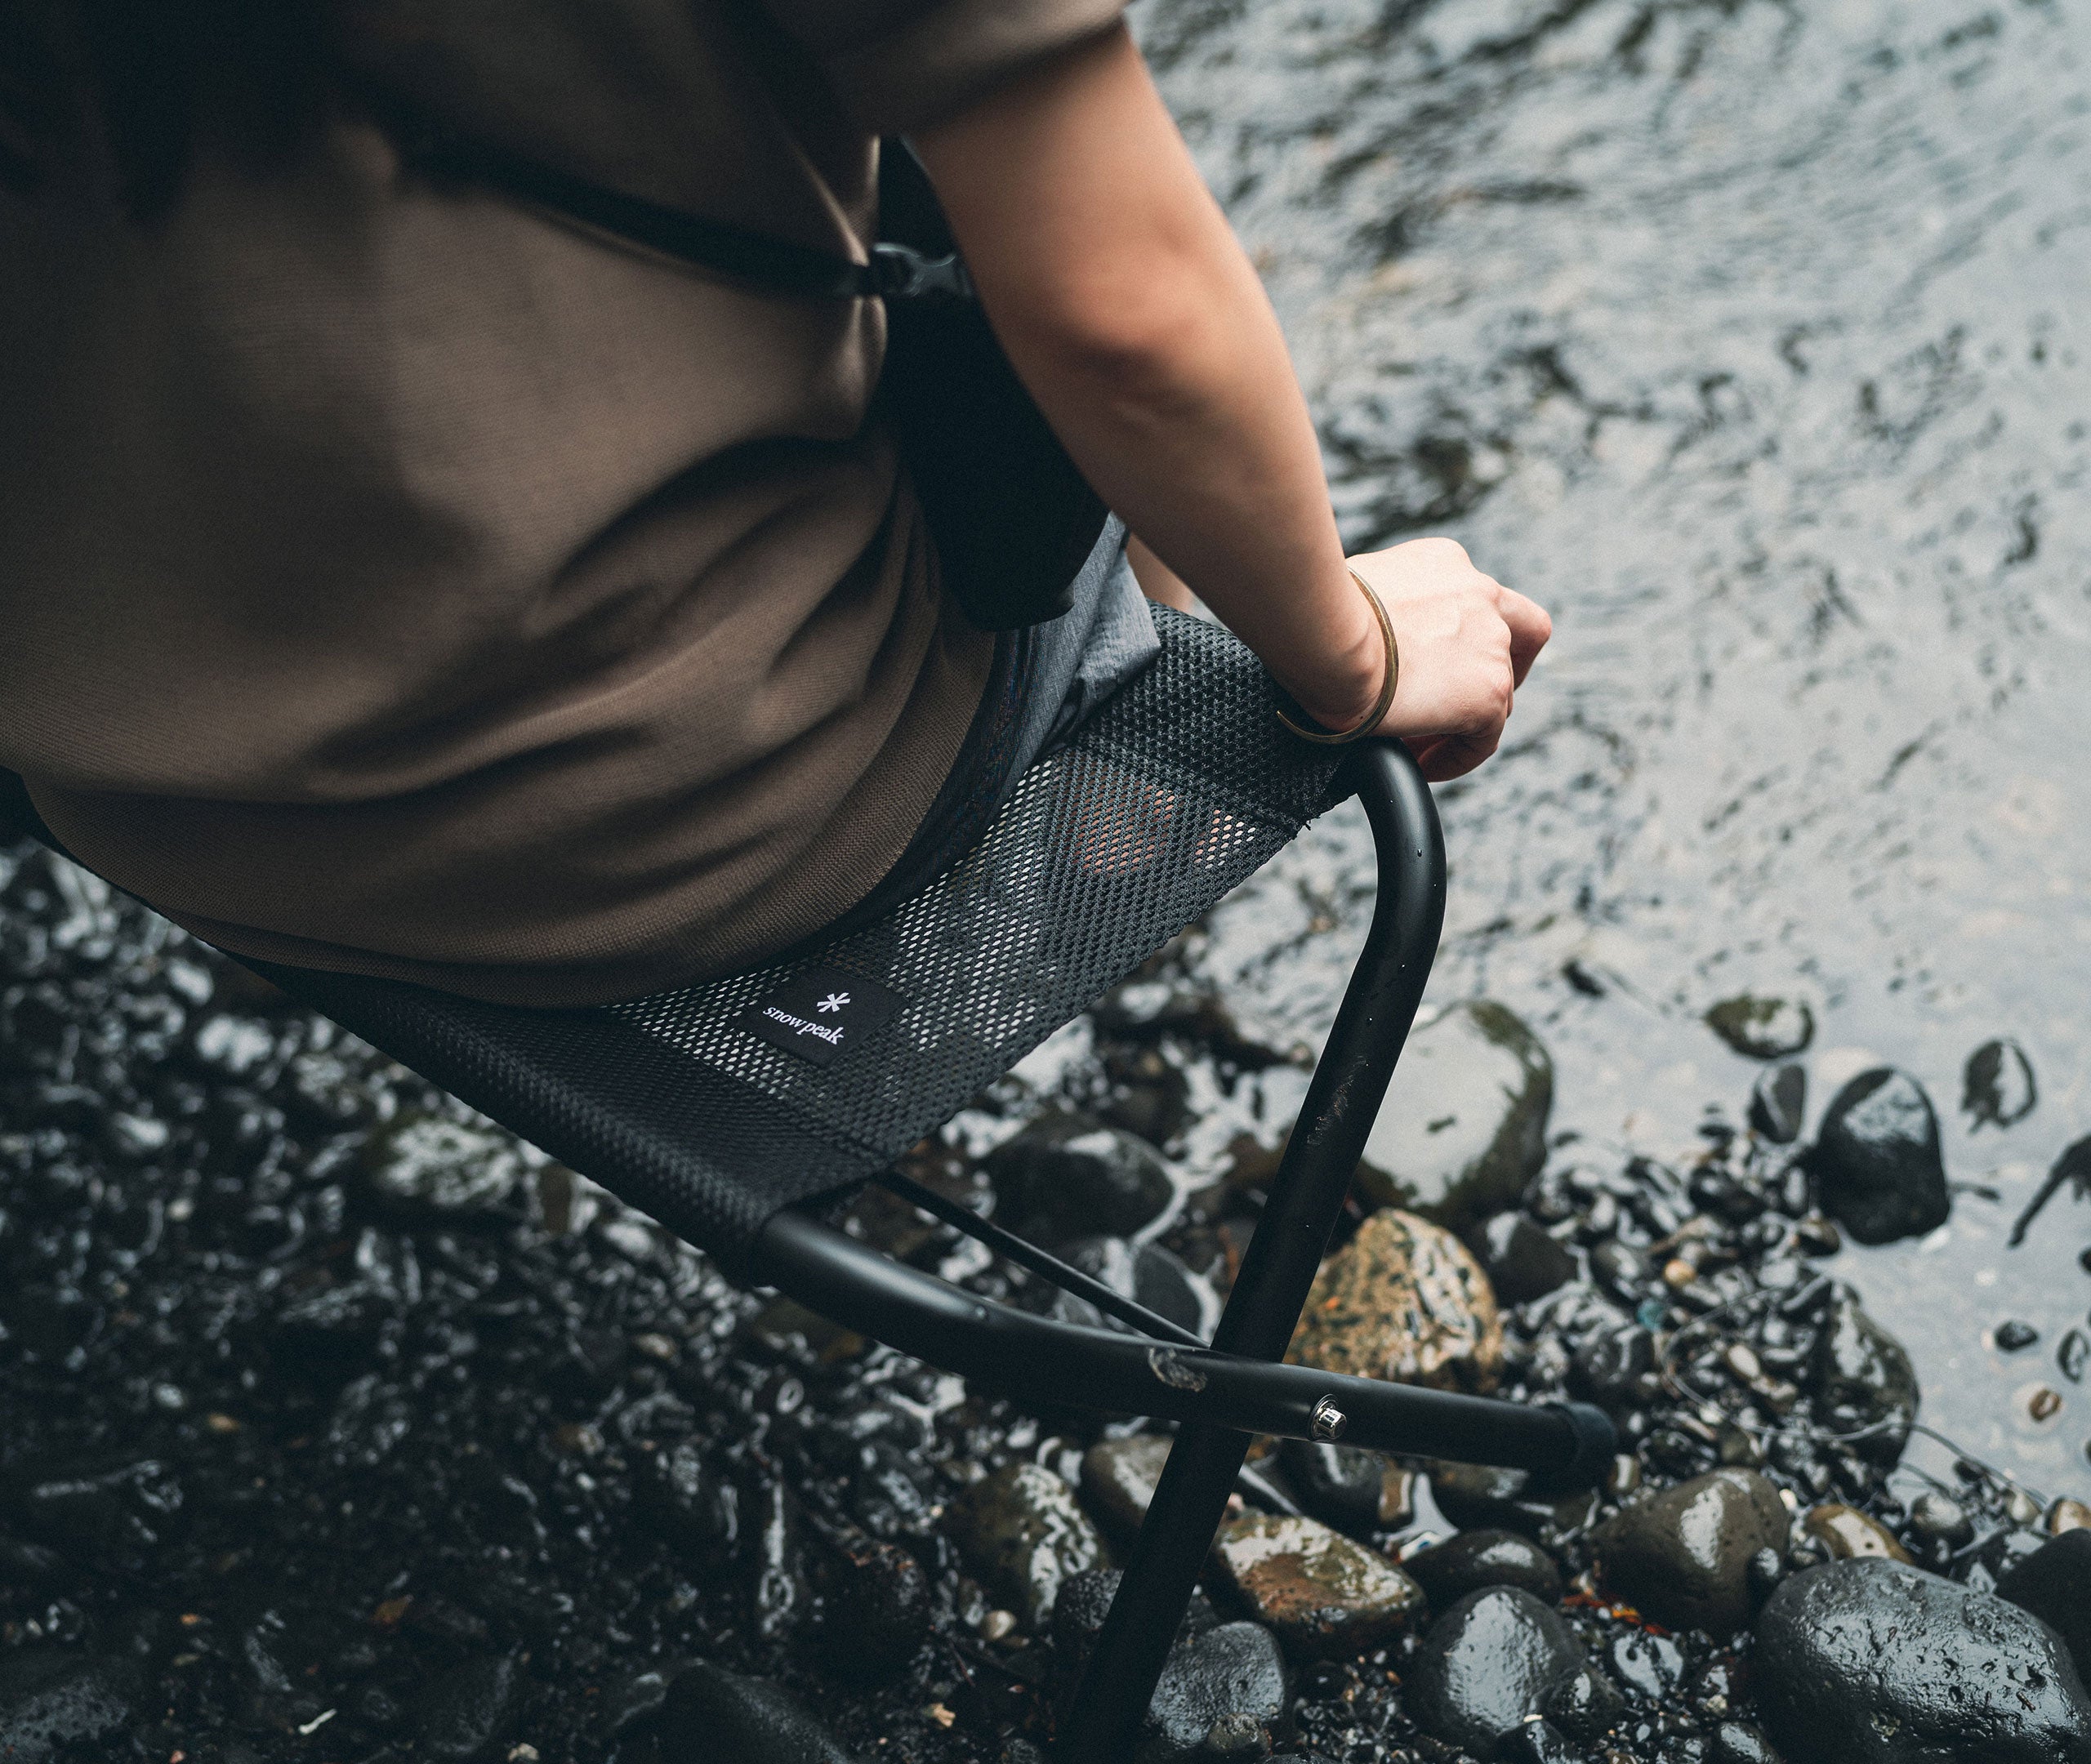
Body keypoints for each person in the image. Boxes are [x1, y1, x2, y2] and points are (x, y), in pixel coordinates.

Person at [0, 2, 1549, 1008]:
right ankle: (1124, 768)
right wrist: (1353, 656)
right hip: (641, 823)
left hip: (121, 770)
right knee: (1047, 230)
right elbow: (1129, 326)